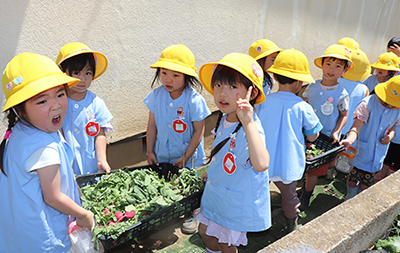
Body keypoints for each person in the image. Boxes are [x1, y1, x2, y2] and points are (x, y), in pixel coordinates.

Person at [0, 52, 94, 252]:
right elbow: (53, 197)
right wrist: (83, 215)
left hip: (20, 236)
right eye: (42, 101)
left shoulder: (20, 132)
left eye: (60, 94)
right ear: (20, 110)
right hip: (43, 240)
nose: (56, 105)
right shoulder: (43, 146)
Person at [196, 52, 270, 253]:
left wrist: (247, 122)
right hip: (219, 190)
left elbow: (262, 164)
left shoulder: (251, 126)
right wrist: (211, 170)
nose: (222, 93)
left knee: (226, 243)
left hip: (234, 199)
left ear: (251, 93)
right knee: (204, 231)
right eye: (218, 85)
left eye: (232, 87)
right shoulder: (224, 116)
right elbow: (223, 151)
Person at [143, 44, 211, 234]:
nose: (168, 79)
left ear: (187, 77)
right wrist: (150, 151)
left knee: (187, 183)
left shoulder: (194, 100)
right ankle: (169, 211)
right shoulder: (156, 96)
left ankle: (190, 212)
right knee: (167, 182)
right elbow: (151, 126)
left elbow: (199, 131)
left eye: (175, 75)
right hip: (163, 152)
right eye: (164, 73)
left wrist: (186, 156)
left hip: (186, 154)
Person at [260, 48, 322, 232]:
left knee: (259, 194)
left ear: (276, 78)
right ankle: (291, 226)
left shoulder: (264, 101)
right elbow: (312, 135)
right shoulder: (303, 106)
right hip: (289, 164)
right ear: (300, 82)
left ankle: (256, 226)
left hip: (263, 161)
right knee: (289, 197)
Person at [301, 44, 353, 210]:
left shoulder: (342, 94)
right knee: (305, 163)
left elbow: (344, 115)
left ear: (344, 70)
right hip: (306, 134)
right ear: (322, 65)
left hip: (326, 137)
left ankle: (306, 196)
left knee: (313, 171)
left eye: (338, 66)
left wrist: (336, 132)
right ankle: (304, 188)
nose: (332, 69)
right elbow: (305, 106)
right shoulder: (312, 87)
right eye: (328, 64)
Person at [56, 42, 113, 175]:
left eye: (88, 73)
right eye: (76, 73)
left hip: (91, 166)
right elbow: (57, 134)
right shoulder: (58, 102)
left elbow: (99, 133)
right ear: (62, 72)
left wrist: (102, 160)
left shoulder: (96, 103)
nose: (83, 79)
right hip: (65, 168)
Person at [339, 75, 400, 198]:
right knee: (352, 177)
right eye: (385, 101)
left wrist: (390, 136)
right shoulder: (367, 104)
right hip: (361, 151)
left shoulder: (398, 110)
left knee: (367, 182)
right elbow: (357, 126)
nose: (388, 106)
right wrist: (350, 140)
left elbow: (393, 126)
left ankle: (359, 198)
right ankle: (350, 197)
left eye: (393, 105)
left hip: (377, 155)